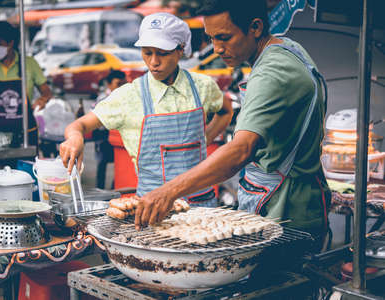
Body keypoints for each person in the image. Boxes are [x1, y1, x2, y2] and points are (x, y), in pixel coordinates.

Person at [135, 0, 330, 249]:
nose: (216, 48)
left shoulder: (272, 72)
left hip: (287, 212)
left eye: (224, 38)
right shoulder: (287, 48)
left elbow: (240, 150)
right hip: (297, 201)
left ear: (255, 27)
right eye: (211, 38)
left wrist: (169, 191)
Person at [60, 12, 232, 207]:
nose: (153, 62)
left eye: (162, 53)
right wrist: (75, 137)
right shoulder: (129, 96)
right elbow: (79, 125)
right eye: (147, 52)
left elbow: (226, 111)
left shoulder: (203, 86)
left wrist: (205, 139)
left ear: (180, 50)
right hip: (154, 209)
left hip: (203, 205)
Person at [93, 70, 127, 189]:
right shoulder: (103, 99)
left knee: (120, 163)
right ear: (109, 84)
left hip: (119, 135)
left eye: (124, 84)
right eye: (118, 84)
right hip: (103, 136)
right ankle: (100, 190)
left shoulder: (126, 97)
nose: (122, 87)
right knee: (102, 163)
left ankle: (114, 187)